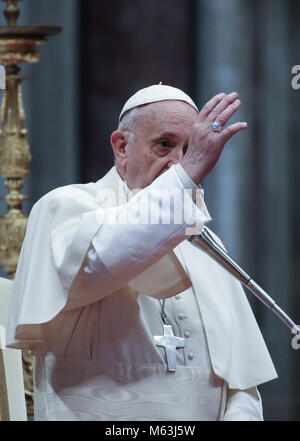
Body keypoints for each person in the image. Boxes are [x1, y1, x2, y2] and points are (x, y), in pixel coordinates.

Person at [6, 84, 277, 421]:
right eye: (165, 145)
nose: (179, 163)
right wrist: (185, 178)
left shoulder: (207, 243)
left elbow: (242, 387)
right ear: (121, 146)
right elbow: (103, 260)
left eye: (191, 150)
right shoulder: (66, 207)